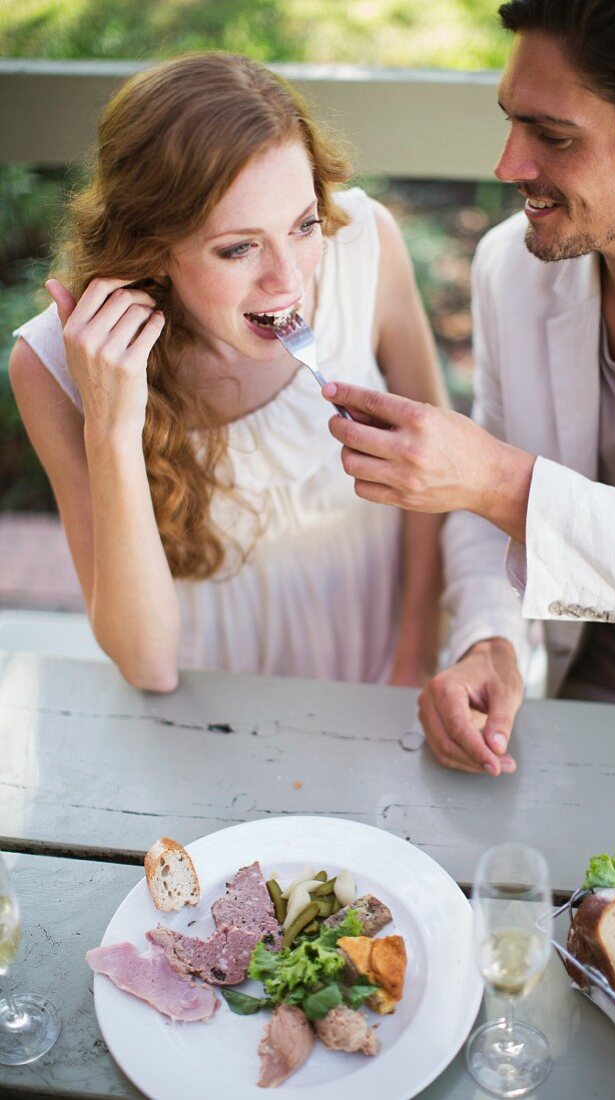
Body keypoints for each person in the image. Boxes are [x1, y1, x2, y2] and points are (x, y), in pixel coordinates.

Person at [322, 0, 615, 773]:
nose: (507, 165)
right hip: (573, 711)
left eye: (552, 135)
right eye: (511, 120)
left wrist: (496, 479)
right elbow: (482, 512)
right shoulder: (511, 267)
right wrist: (489, 641)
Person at [10, 53, 447, 692]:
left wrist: (413, 660)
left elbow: (436, 488)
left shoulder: (364, 248)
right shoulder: (54, 369)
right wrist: (112, 427)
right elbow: (147, 664)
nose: (289, 280)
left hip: (387, 671)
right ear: (154, 250)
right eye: (238, 247)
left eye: (303, 226)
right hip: (208, 705)